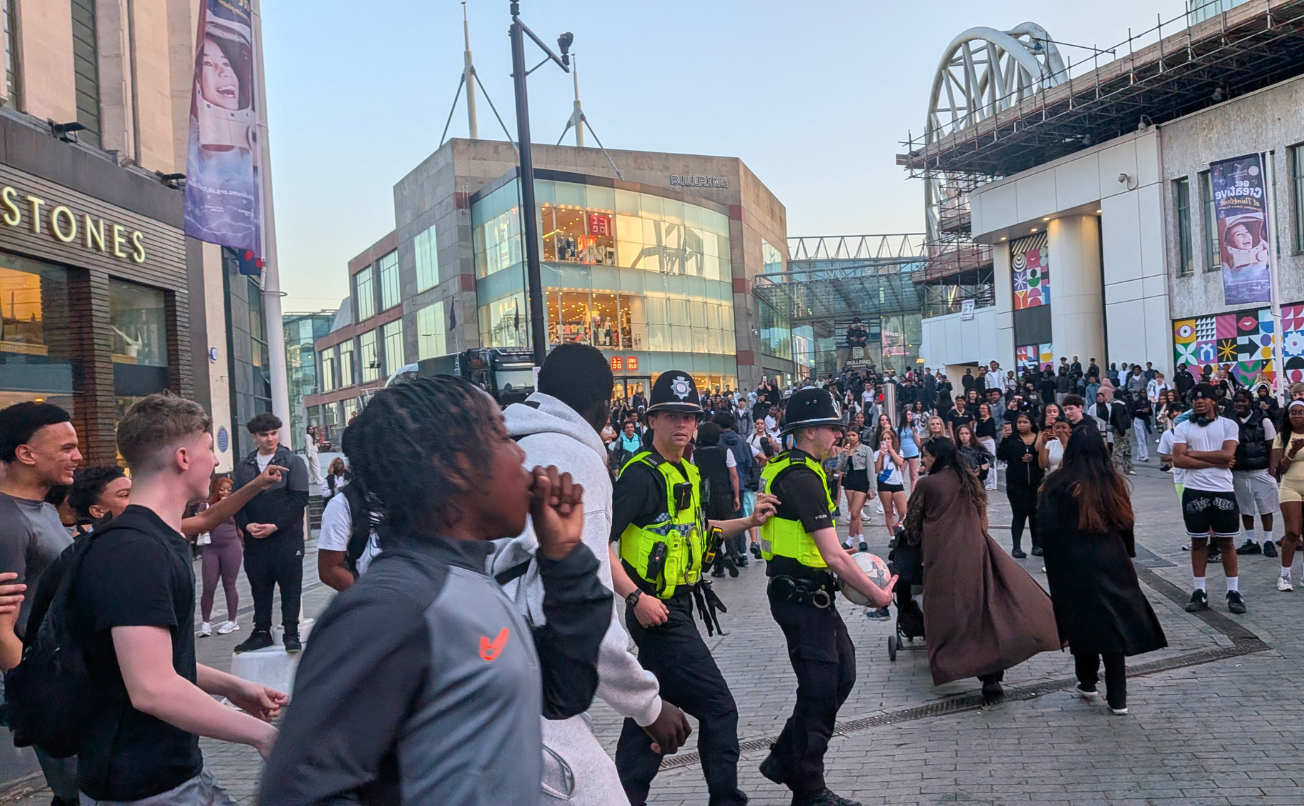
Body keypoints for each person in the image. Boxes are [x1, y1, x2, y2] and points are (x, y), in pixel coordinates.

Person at [261, 376, 610, 805]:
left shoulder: (472, 585)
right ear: (455, 466)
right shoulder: (393, 606)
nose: (521, 453)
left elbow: (563, 692)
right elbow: (300, 790)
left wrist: (565, 559)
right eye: (501, 435)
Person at [485, 344, 691, 806]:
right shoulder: (572, 460)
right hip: (526, 686)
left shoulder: (513, 442)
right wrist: (648, 705)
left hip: (481, 666)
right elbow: (586, 599)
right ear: (604, 406)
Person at [71, 394, 286, 804]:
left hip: (174, 773)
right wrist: (265, 736)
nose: (216, 461)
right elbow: (152, 687)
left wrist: (233, 687)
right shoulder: (135, 552)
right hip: (143, 788)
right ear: (184, 458)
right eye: (210, 448)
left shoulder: (151, 541)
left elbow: (156, 661)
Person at [609, 371, 775, 806]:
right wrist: (634, 597)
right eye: (671, 416)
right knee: (719, 708)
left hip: (678, 606)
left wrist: (750, 523)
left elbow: (702, 529)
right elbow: (598, 543)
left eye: (688, 417)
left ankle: (623, 797)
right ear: (652, 420)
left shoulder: (685, 467)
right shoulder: (639, 476)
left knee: (649, 716)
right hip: (656, 612)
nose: (681, 425)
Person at [758, 387, 895, 806]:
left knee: (842, 674)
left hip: (810, 592)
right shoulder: (800, 477)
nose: (838, 435)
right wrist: (877, 595)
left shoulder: (800, 468)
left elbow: (819, 545)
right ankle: (809, 789)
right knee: (820, 688)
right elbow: (832, 553)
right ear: (809, 430)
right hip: (800, 598)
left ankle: (784, 758)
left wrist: (846, 559)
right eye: (832, 429)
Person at [902, 437, 1059, 702]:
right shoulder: (968, 480)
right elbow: (980, 514)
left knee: (948, 613)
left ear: (936, 457)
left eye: (926, 455)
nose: (924, 460)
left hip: (942, 558)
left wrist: (914, 545)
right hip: (975, 551)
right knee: (981, 610)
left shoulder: (928, 484)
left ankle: (955, 663)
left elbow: (913, 521)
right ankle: (991, 676)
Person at [1039, 429, 1168, 716]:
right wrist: (1127, 554)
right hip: (1112, 558)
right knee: (1113, 622)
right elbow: (1126, 524)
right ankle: (1118, 696)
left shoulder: (1056, 484)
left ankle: (1087, 680)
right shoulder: (1113, 483)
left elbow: (1046, 529)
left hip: (1071, 561)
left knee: (1080, 619)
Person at [0, 402, 82, 803]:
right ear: (25, 453)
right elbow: (1, 630)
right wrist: (42, 703)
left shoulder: (44, 509)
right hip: (45, 687)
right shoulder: (9, 522)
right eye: (65, 448)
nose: (77, 456)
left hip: (67, 677)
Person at [231, 413, 310, 654]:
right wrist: (246, 525)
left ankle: (291, 633)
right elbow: (236, 502)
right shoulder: (245, 467)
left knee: (290, 587)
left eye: (274, 433)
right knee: (259, 587)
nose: (270, 438)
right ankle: (261, 631)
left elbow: (300, 500)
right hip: (256, 542)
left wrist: (276, 525)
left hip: (286, 539)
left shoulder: (293, 461)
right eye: (264, 434)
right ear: (255, 437)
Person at [1172, 383, 1246, 615]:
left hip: (1222, 489)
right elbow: (1178, 460)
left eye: (1204, 398)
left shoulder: (1228, 425)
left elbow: (1228, 454)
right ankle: (1199, 590)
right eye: (1195, 398)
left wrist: (1193, 453)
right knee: (1197, 541)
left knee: (1226, 542)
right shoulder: (1183, 427)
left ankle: (1233, 591)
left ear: (1214, 400)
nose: (1199, 401)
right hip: (1194, 489)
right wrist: (1214, 462)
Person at [1229, 389, 1280, 558]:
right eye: (1237, 401)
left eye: (1243, 401)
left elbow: (1272, 445)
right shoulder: (1230, 421)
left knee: (1266, 508)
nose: (1239, 404)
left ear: (1250, 402)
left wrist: (1273, 469)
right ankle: (1251, 541)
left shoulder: (1263, 420)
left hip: (1261, 470)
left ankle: (1268, 540)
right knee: (1245, 509)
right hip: (1239, 472)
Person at [198, 477, 243, 637]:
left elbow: (242, 525)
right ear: (215, 489)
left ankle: (232, 621)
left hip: (231, 546)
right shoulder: (206, 505)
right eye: (222, 489)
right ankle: (205, 624)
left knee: (229, 584)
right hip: (210, 549)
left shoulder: (235, 505)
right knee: (208, 587)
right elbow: (199, 523)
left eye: (229, 490)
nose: (225, 492)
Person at [996, 412, 1044, 558]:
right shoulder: (1012, 440)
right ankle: (1016, 547)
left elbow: (1043, 456)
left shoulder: (1038, 438)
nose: (1022, 425)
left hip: (1035, 484)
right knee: (1019, 515)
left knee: (1035, 516)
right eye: (1019, 422)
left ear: (1031, 423)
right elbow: (1001, 455)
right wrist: (1004, 439)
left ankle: (1036, 545)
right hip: (1016, 485)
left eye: (1025, 422)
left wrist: (1033, 458)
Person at [1272, 401, 1304, 591]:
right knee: (1292, 531)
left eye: (1301, 412)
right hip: (1290, 486)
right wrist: (1292, 451)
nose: (1297, 416)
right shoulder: (1282, 437)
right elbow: (1280, 469)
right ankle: (1284, 575)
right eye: (1293, 413)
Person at [838, 428, 875, 553]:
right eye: (848, 435)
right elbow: (841, 467)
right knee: (855, 513)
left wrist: (872, 488)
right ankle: (861, 539)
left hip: (861, 480)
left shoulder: (866, 449)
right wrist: (844, 455)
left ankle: (849, 540)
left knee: (854, 513)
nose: (850, 437)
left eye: (853, 435)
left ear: (858, 436)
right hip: (849, 480)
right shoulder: (846, 449)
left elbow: (871, 469)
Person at [875, 429, 909, 540]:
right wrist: (880, 455)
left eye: (888, 439)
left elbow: (900, 462)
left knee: (903, 512)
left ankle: (898, 529)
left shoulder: (899, 451)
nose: (886, 441)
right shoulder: (877, 453)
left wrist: (891, 450)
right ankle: (892, 536)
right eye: (884, 439)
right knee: (888, 511)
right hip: (883, 483)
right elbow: (876, 469)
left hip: (897, 483)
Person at [974, 403, 998, 490]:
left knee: (990, 461)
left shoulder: (991, 420)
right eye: (981, 408)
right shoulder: (978, 420)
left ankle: (992, 483)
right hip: (980, 442)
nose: (982, 410)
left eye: (984, 408)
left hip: (988, 441)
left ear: (988, 410)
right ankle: (984, 480)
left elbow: (989, 432)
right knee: (982, 461)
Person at [304, 425, 322, 490]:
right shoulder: (308, 436)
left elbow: (311, 445)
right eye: (310, 429)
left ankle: (311, 479)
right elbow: (308, 446)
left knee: (311, 467)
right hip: (312, 453)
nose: (311, 430)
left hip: (312, 452)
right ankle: (319, 479)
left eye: (312, 429)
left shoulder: (311, 436)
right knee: (316, 466)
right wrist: (309, 454)